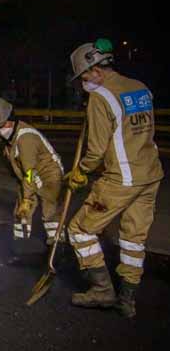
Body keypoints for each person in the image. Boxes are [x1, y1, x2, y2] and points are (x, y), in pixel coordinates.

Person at [65, 38, 164, 318]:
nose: (83, 82)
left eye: (84, 76)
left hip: (122, 178)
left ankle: (102, 291)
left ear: (96, 69)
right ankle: (127, 299)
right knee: (134, 238)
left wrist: (80, 172)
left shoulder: (100, 97)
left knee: (79, 230)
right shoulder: (141, 88)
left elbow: (95, 151)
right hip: (151, 174)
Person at [0, 97, 64, 246]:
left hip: (48, 175)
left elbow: (30, 171)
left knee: (49, 210)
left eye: (2, 126)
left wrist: (27, 199)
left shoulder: (25, 138)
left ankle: (57, 245)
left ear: (11, 119)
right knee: (21, 212)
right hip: (30, 176)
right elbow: (19, 170)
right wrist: (24, 196)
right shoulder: (10, 141)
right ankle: (21, 245)